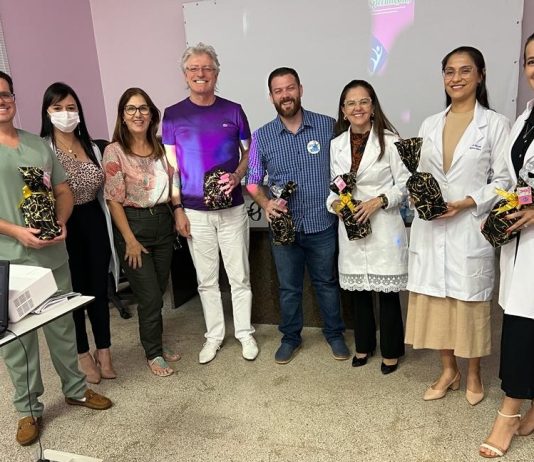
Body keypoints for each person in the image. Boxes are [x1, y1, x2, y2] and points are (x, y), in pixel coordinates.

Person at [0, 71, 111, 446]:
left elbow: (63, 190)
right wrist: (15, 232)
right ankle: (28, 409)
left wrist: (61, 221)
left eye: (6, 94)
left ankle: (76, 390)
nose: (2, 101)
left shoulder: (38, 145)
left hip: (53, 253)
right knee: (19, 339)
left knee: (63, 325)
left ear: (14, 98)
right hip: (10, 259)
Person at [404, 47, 511, 404]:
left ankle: (474, 373)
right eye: (449, 71)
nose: (456, 78)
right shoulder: (430, 124)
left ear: (480, 75)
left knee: (469, 306)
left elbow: (505, 181)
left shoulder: (495, 124)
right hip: (432, 227)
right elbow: (421, 174)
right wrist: (419, 196)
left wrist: (466, 202)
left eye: (465, 70)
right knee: (438, 304)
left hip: (469, 227)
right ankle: (449, 370)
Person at [162, 42, 258, 364]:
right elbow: (171, 168)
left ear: (216, 73)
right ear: (185, 74)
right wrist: (177, 208)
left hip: (232, 208)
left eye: (207, 68)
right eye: (194, 68)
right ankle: (214, 335)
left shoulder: (233, 110)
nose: (200, 73)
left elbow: (249, 153)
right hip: (194, 212)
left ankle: (244, 332)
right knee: (206, 280)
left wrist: (238, 175)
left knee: (239, 276)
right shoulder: (172, 115)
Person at [247, 67, 350, 364]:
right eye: (278, 91)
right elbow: (252, 181)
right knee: (289, 288)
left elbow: (344, 169)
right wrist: (266, 203)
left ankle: (334, 334)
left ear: (300, 89)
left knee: (326, 283)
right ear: (271, 97)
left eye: (290, 88)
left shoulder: (327, 126)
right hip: (284, 227)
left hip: (322, 222)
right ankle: (290, 337)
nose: (285, 95)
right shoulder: (261, 136)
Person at [326, 80, 409, 374]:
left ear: (373, 107)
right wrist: (336, 205)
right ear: (343, 110)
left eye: (363, 101)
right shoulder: (336, 144)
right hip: (351, 228)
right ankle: (364, 345)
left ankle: (391, 351)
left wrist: (379, 201)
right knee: (359, 291)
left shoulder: (390, 140)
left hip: (384, 225)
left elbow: (405, 185)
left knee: (387, 293)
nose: (357, 108)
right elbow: (334, 187)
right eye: (351, 103)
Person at [40, 82, 119, 384]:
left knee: (98, 289)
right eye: (58, 108)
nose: (66, 113)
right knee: (74, 292)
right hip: (64, 226)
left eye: (71, 108)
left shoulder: (93, 147)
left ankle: (104, 350)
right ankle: (83, 354)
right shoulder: (43, 149)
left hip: (94, 221)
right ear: (47, 112)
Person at [479, 33, 534, 459]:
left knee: (523, 327)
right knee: (520, 318)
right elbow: (513, 176)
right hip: (522, 234)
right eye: (530, 61)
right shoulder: (526, 117)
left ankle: (509, 413)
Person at [104, 88, 178, 377]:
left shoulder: (161, 148)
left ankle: (155, 339)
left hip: (163, 222)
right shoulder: (115, 151)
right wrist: (130, 241)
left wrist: (178, 211)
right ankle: (153, 352)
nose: (138, 114)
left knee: (158, 289)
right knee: (149, 295)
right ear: (122, 116)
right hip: (133, 226)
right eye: (131, 109)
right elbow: (113, 200)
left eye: (143, 108)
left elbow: (173, 183)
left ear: (152, 114)